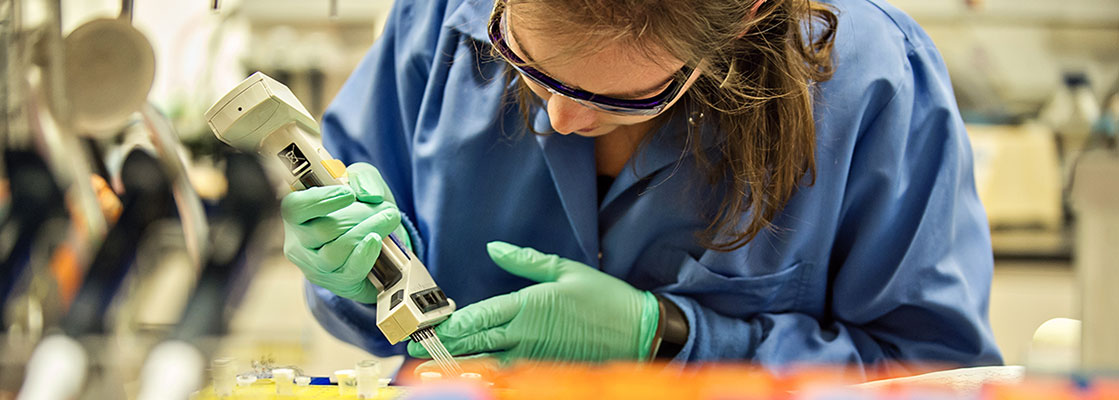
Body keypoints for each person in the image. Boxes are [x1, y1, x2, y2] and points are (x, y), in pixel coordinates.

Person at [281, 0, 1003, 374]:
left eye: (624, 97)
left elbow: (932, 375)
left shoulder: (870, 82)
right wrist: (354, 266)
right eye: (520, 57)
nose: (560, 118)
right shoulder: (438, 20)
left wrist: (671, 336)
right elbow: (366, 275)